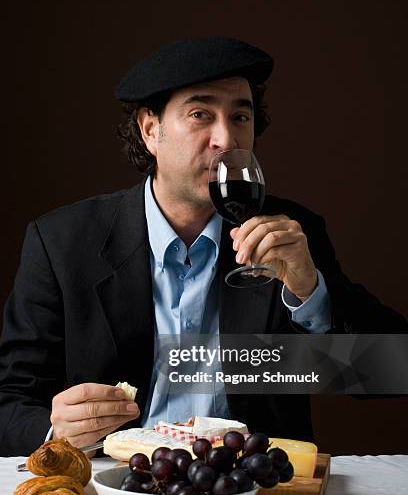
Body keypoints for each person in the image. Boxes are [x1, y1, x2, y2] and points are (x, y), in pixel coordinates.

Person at [0, 37, 406, 457]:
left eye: (240, 117)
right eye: (200, 114)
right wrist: (55, 432)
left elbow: (391, 372)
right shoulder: (62, 243)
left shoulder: (289, 238)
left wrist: (311, 293)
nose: (225, 138)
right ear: (150, 130)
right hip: (112, 493)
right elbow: (9, 402)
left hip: (251, 494)